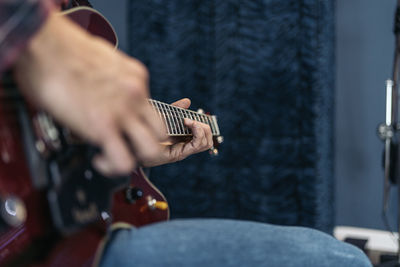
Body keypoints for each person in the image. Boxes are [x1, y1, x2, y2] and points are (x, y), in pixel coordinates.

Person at [1, 0, 372, 266]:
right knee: (339, 259)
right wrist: (40, 37)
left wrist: (128, 150)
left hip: (48, 231)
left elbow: (45, 129)